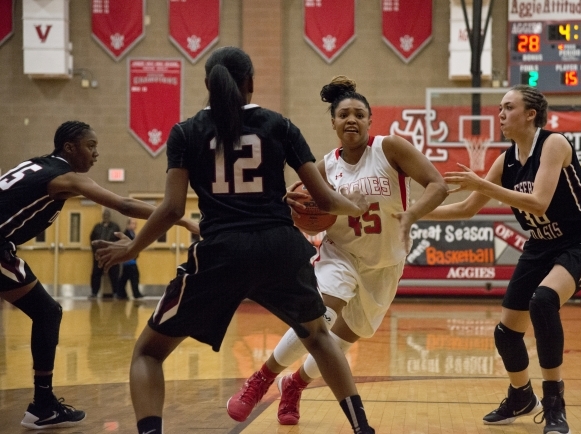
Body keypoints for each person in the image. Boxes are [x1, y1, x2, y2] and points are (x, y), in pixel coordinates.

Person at [93, 46, 378, 434]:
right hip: (280, 247)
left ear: (209, 84)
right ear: (250, 83)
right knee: (319, 338)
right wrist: (359, 209)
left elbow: (173, 209)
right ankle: (364, 429)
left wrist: (131, 247)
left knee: (147, 353)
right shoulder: (279, 125)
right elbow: (326, 200)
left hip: (221, 252)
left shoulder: (185, 132)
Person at [229, 75, 449, 426]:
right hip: (340, 254)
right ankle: (261, 379)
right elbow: (295, 205)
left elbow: (438, 185)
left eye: (359, 114)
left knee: (343, 340)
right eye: (344, 113)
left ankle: (295, 386)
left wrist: (411, 214)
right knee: (322, 316)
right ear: (332, 122)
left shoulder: (390, 148)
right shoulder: (323, 168)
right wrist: (289, 203)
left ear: (369, 120)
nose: (352, 119)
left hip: (385, 263)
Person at [423, 84, 581, 434]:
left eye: (508, 107)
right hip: (540, 244)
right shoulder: (506, 160)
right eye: (500, 108)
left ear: (530, 113)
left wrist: (483, 184)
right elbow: (465, 208)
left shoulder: (554, 144)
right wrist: (412, 214)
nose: (500, 114)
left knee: (544, 302)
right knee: (506, 333)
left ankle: (555, 405)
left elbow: (538, 202)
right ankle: (521, 395)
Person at [0, 120, 198, 430]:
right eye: (90, 146)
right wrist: (183, 219)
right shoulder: (63, 177)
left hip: (4, 248)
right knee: (48, 312)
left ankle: (43, 404)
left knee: (47, 312)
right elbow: (125, 204)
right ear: (69, 147)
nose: (96, 154)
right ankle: (42, 405)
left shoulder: (33, 165)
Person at [90, 209, 121, 298]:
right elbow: (91, 239)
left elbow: (119, 240)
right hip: (99, 255)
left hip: (111, 255)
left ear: (109, 216)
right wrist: (95, 251)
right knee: (96, 274)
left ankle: (116, 292)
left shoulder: (115, 227)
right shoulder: (97, 227)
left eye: (107, 215)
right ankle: (94, 293)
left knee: (114, 274)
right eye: (104, 215)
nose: (106, 217)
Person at [115, 218, 144, 299]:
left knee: (124, 277)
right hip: (129, 261)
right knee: (134, 277)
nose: (135, 225)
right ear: (128, 224)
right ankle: (135, 293)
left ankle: (121, 293)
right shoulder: (126, 234)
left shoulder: (132, 233)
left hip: (131, 260)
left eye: (135, 223)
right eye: (133, 223)